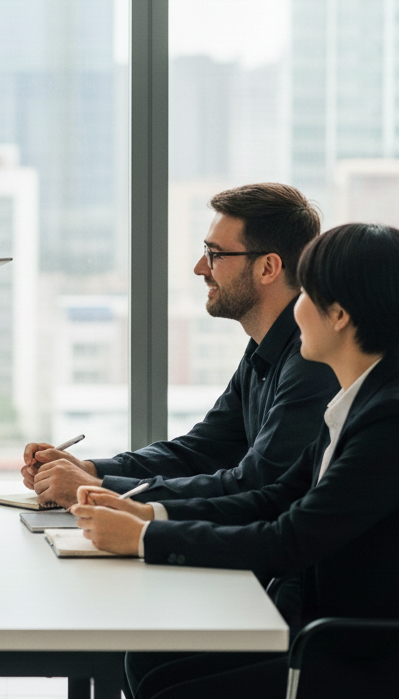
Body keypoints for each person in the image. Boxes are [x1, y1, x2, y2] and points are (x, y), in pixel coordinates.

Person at [72, 223, 399, 699]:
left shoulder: (396, 420)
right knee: (150, 664)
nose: (295, 310)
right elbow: (273, 498)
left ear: (339, 315)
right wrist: (149, 515)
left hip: (382, 673)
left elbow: (289, 539)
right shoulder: (363, 400)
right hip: (338, 643)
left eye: (307, 295)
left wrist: (146, 540)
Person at [22, 183, 340, 508]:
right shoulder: (264, 349)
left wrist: (98, 489)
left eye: (215, 255)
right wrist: (89, 470)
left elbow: (254, 485)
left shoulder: (313, 362)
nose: (200, 268)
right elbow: (199, 452)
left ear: (268, 268)